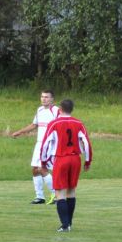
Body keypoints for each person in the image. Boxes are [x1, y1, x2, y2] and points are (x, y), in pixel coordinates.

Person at [40, 99, 92, 232]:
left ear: (60, 110)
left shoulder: (54, 123)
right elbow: (86, 143)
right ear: (72, 109)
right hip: (75, 159)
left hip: (61, 159)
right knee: (71, 191)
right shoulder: (79, 123)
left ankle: (65, 225)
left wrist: (43, 161)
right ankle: (69, 223)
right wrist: (87, 160)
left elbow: (45, 144)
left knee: (59, 192)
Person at [11, 90, 60, 205]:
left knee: (42, 169)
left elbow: (63, 125)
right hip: (39, 143)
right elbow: (34, 125)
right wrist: (20, 132)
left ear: (52, 99)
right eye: (42, 97)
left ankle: (56, 195)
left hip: (50, 144)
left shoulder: (56, 111)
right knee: (34, 169)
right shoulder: (40, 110)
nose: (44, 99)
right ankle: (40, 197)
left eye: (47, 97)